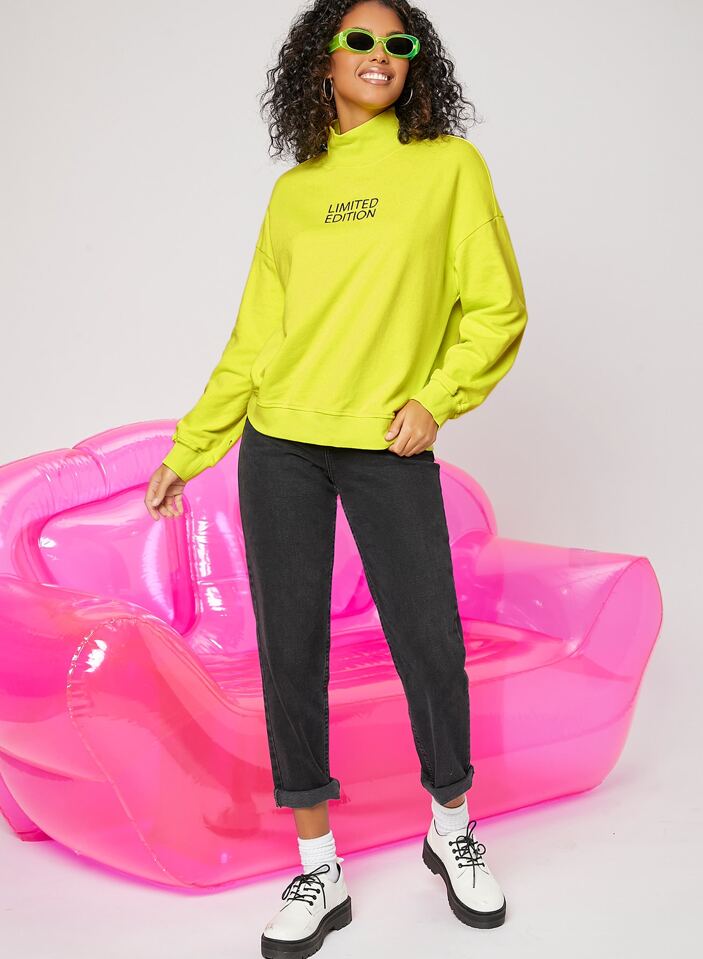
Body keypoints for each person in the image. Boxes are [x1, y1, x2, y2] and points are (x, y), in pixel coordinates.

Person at [144, 1, 527, 955]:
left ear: (413, 65)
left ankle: (452, 829)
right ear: (323, 61)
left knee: (429, 641)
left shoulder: (448, 168)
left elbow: (496, 306)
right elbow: (255, 341)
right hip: (279, 445)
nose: (379, 54)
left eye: (399, 43)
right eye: (360, 40)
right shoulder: (295, 193)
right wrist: (192, 447)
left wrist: (436, 398)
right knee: (291, 655)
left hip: (386, 444)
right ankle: (318, 866)